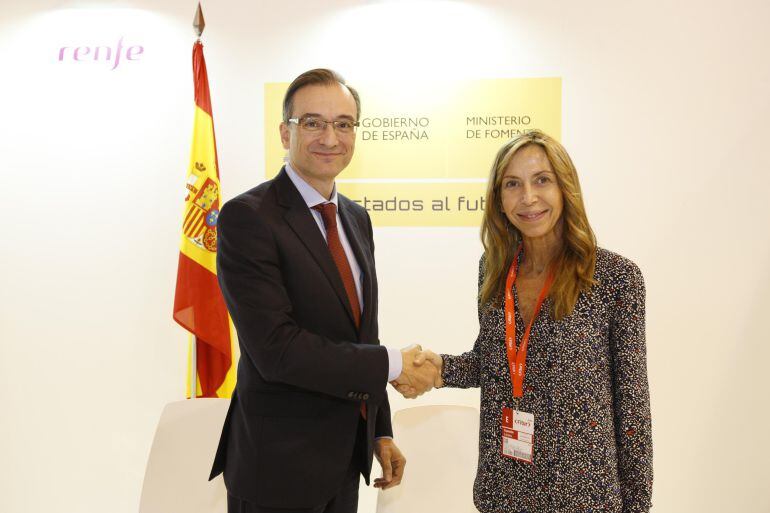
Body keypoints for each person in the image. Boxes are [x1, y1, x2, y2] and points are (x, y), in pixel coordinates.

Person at [209, 68, 437, 513]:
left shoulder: (355, 218)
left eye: (344, 124)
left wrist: (379, 431)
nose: (330, 138)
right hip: (277, 470)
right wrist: (393, 364)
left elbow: (361, 333)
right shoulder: (247, 218)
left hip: (344, 463)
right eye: (312, 122)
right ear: (284, 132)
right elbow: (276, 350)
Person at [399, 130, 653, 513]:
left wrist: (638, 505)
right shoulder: (495, 270)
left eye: (542, 180)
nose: (528, 198)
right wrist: (440, 369)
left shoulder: (615, 278)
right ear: (499, 200)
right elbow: (495, 362)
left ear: (565, 188)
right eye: (512, 184)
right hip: (505, 488)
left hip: (583, 496)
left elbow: (632, 406)